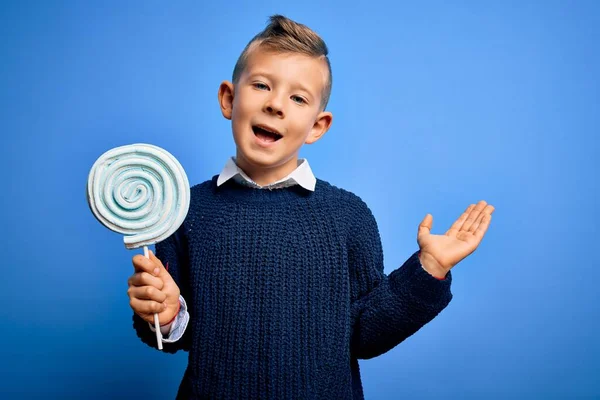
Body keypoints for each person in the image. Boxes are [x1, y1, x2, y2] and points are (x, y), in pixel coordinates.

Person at [127, 14, 495, 399]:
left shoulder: (349, 217)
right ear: (229, 99)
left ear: (318, 126)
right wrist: (166, 316)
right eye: (261, 85)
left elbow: (367, 335)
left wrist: (428, 270)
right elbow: (172, 337)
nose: (275, 105)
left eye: (297, 98)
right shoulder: (184, 211)